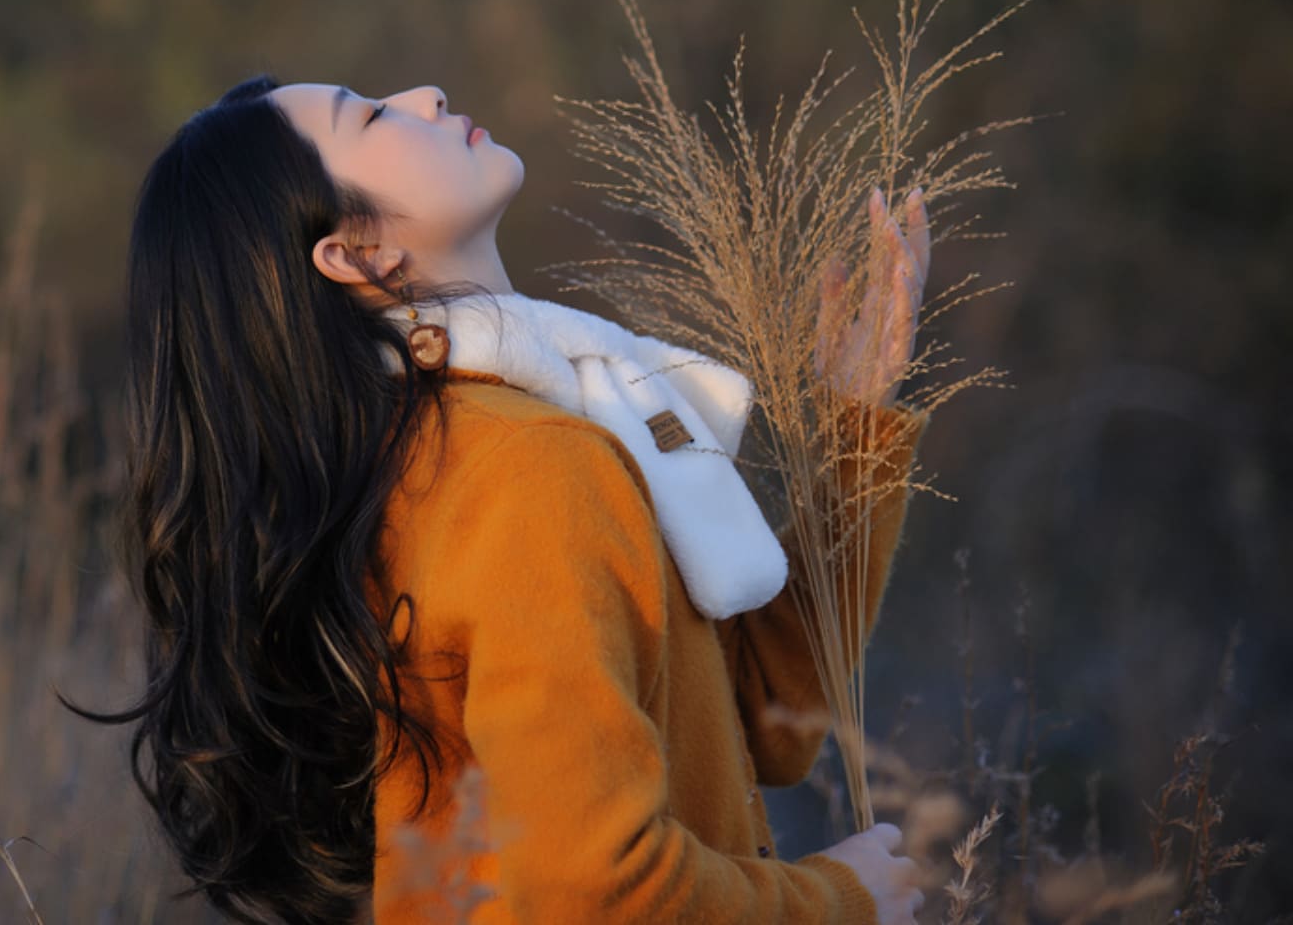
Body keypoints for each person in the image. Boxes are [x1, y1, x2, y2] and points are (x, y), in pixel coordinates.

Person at [72, 73, 933, 923]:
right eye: (369, 116)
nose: (427, 92)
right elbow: (595, 889)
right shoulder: (528, 468)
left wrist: (854, 443)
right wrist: (837, 904)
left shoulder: (430, 459)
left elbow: (757, 720)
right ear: (357, 253)